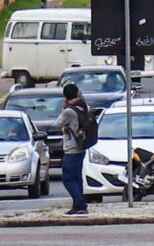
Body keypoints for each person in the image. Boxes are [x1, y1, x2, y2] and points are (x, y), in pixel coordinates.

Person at [56, 83, 88, 215]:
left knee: (68, 178)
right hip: (82, 146)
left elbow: (58, 123)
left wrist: (63, 108)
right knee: (77, 178)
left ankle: (80, 204)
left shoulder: (69, 111)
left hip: (71, 148)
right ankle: (78, 205)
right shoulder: (84, 107)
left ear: (65, 96)